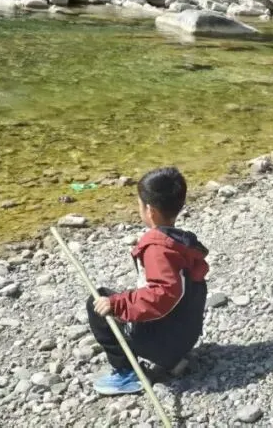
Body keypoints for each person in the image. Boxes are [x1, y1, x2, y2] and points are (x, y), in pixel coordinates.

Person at [87, 167, 210, 395]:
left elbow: (164, 293)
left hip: (165, 344)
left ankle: (128, 373)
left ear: (150, 211)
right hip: (185, 335)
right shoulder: (181, 242)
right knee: (116, 296)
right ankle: (172, 357)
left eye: (139, 204)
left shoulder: (157, 249)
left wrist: (117, 304)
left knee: (98, 302)